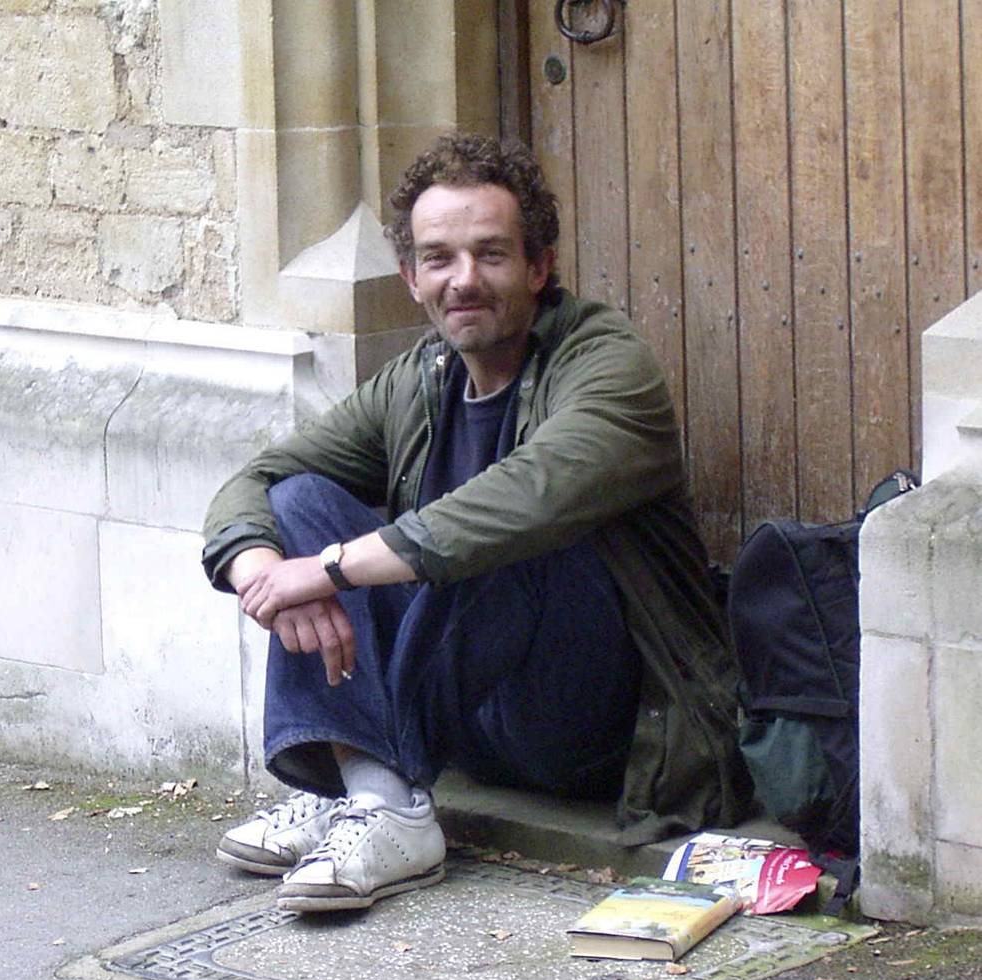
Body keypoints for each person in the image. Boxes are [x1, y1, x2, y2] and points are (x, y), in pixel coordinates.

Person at [200, 134, 750, 915]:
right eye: (439, 258)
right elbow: (259, 478)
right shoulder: (416, 379)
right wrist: (262, 572)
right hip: (467, 714)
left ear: (538, 266)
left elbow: (526, 501)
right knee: (296, 503)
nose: (463, 280)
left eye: (490, 255)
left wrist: (324, 572)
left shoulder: (606, 362)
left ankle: (374, 793)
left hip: (596, 726)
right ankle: (373, 791)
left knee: (501, 537)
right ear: (410, 277)